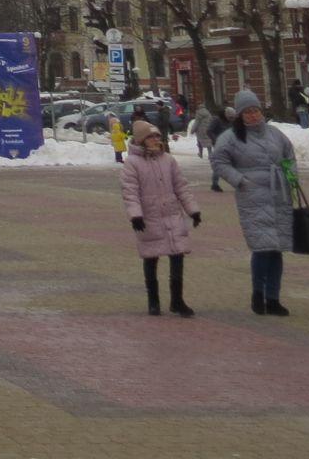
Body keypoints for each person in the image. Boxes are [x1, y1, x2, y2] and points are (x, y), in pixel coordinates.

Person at [210, 90, 298, 316]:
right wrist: (240, 180)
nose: (253, 115)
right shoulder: (230, 138)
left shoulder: (275, 134)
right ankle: (258, 294)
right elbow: (219, 161)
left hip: (279, 194)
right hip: (253, 196)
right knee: (262, 247)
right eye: (247, 112)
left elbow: (289, 157)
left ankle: (274, 297)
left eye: (256, 110)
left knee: (277, 248)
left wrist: (291, 178)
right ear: (240, 115)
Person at [121, 118, 199, 316]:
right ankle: (153, 300)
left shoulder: (168, 160)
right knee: (151, 257)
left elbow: (181, 186)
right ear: (140, 140)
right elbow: (130, 192)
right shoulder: (132, 163)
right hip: (150, 217)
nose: (156, 139)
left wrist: (193, 210)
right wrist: (135, 215)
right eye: (151, 136)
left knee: (177, 255)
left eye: (157, 135)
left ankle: (177, 300)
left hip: (172, 215)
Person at [207, 106, 234, 191]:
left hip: (230, 145)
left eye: (232, 118)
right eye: (230, 117)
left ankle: (238, 182)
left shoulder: (231, 122)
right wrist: (216, 140)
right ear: (225, 115)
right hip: (219, 146)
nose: (231, 119)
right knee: (219, 164)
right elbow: (209, 131)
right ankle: (215, 184)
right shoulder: (217, 120)